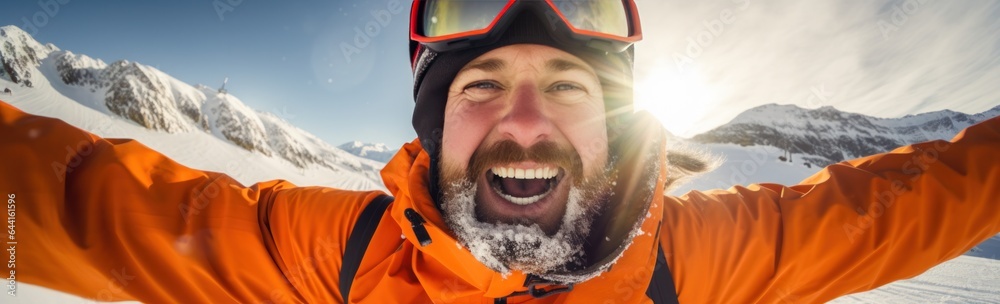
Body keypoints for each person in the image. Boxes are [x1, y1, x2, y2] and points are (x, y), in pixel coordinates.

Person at [1, 1, 999, 303]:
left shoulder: (686, 259)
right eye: (480, 87)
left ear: (613, 124)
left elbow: (901, 207)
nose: (524, 122)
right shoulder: (346, 251)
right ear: (436, 127)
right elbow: (81, 203)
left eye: (568, 87)